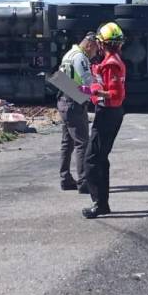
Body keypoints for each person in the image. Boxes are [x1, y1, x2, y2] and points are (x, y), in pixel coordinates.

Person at [82, 22, 127, 219]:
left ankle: (99, 203)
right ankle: (102, 202)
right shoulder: (111, 61)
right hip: (109, 113)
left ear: (101, 43)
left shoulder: (111, 64)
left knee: (92, 160)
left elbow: (116, 95)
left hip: (108, 114)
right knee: (100, 158)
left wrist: (93, 90)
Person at [57, 32, 99, 192]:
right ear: (89, 45)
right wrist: (99, 88)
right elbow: (88, 80)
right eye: (95, 50)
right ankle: (84, 181)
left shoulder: (69, 54)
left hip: (63, 99)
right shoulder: (80, 58)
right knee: (82, 143)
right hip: (74, 102)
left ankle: (65, 178)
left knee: (67, 143)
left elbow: (62, 78)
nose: (95, 54)